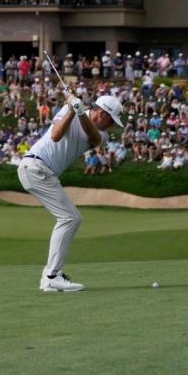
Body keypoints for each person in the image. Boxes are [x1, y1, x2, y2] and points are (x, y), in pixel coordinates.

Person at [17, 93, 123, 292]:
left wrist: (80, 112)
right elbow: (56, 136)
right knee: (70, 218)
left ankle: (51, 276)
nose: (112, 126)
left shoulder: (103, 136)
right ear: (101, 113)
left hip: (43, 171)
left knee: (70, 218)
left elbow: (93, 136)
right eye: (111, 120)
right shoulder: (69, 110)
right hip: (35, 167)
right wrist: (71, 110)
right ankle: (51, 276)